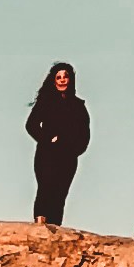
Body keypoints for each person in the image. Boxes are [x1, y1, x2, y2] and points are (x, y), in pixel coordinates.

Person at [26, 62, 90, 226]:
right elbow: (31, 125)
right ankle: (40, 226)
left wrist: (75, 149)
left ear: (71, 79)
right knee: (45, 188)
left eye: (65, 77)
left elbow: (85, 133)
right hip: (47, 154)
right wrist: (48, 139)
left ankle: (55, 228)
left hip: (68, 157)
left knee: (60, 194)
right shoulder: (46, 102)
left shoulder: (78, 105)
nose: (62, 80)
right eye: (58, 77)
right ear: (53, 80)